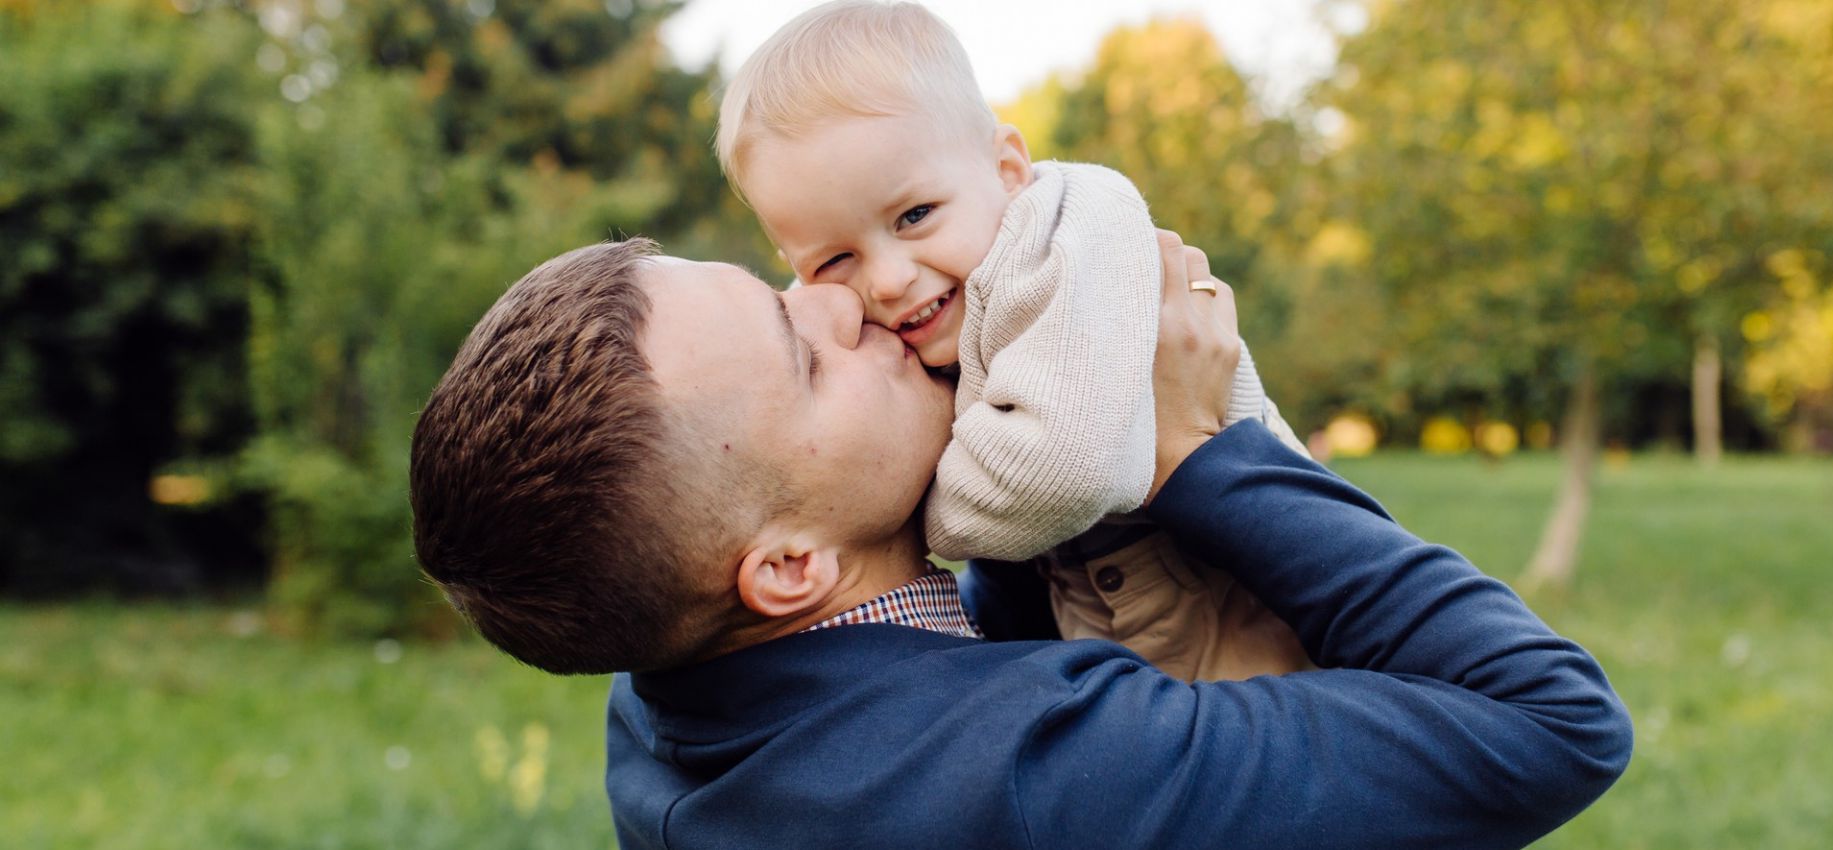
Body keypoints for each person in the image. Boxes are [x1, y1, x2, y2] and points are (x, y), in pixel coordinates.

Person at [408, 234, 1632, 848]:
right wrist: (1199, 459)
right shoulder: (1042, 777)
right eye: (806, 355)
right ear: (787, 569)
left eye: (779, 286)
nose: (844, 297)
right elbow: (1550, 720)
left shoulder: (667, 680)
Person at [716, 0, 1309, 681]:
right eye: (833, 261)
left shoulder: (1073, 236)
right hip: (1134, 637)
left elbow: (1063, 471)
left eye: (914, 216)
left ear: (1006, 169)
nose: (886, 279)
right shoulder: (939, 298)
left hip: (1259, 614)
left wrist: (893, 512)